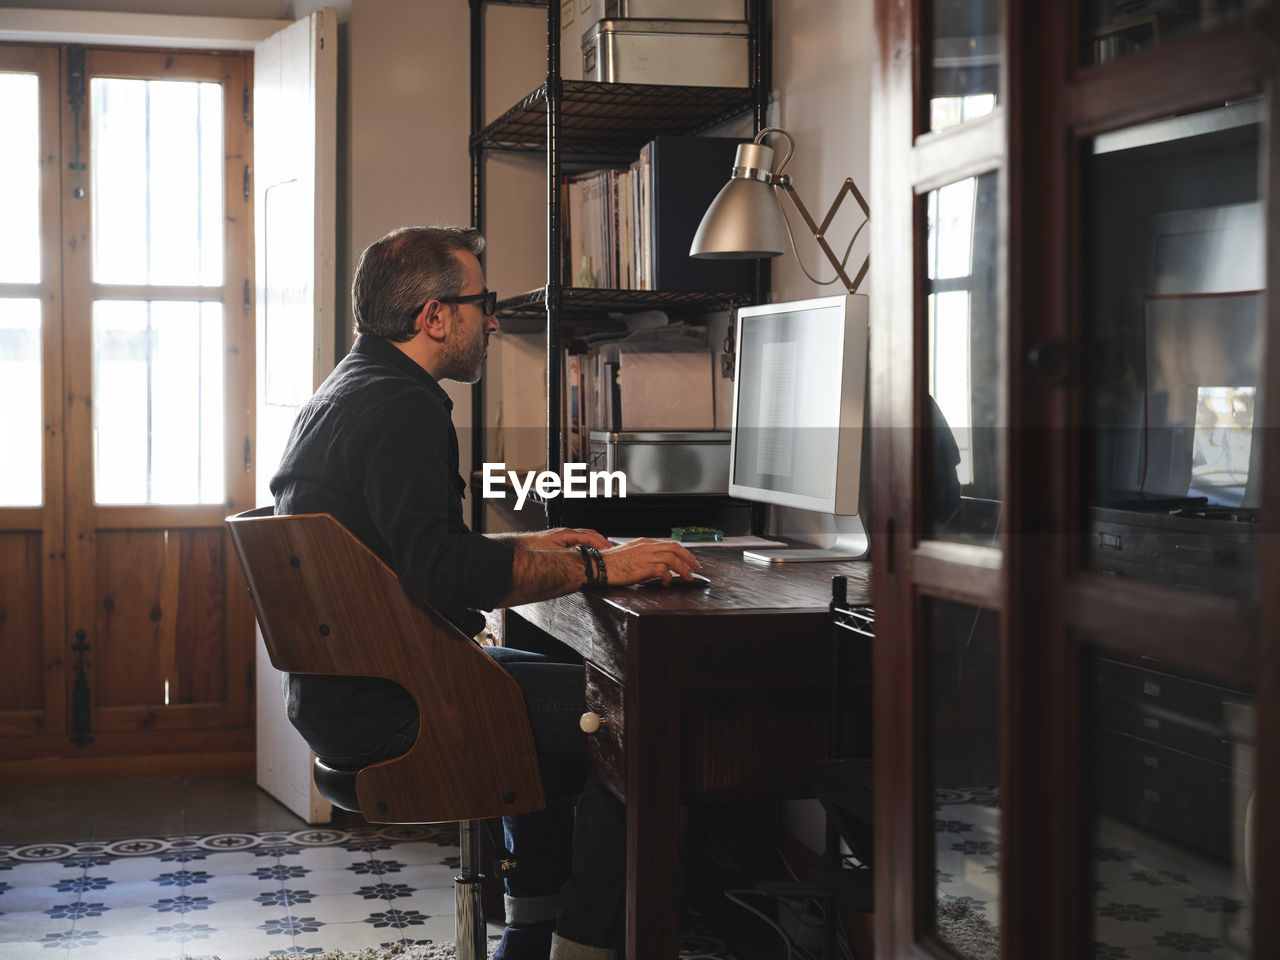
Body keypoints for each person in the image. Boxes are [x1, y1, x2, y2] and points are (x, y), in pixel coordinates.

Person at [270, 225, 700, 960]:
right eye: (483, 302)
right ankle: (580, 947)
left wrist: (533, 545)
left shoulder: (347, 390)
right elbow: (442, 573)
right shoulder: (402, 407)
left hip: (351, 695)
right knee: (648, 716)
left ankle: (531, 927)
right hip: (401, 705)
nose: (494, 319)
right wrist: (606, 570)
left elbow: (412, 552)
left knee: (597, 686)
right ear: (434, 317)